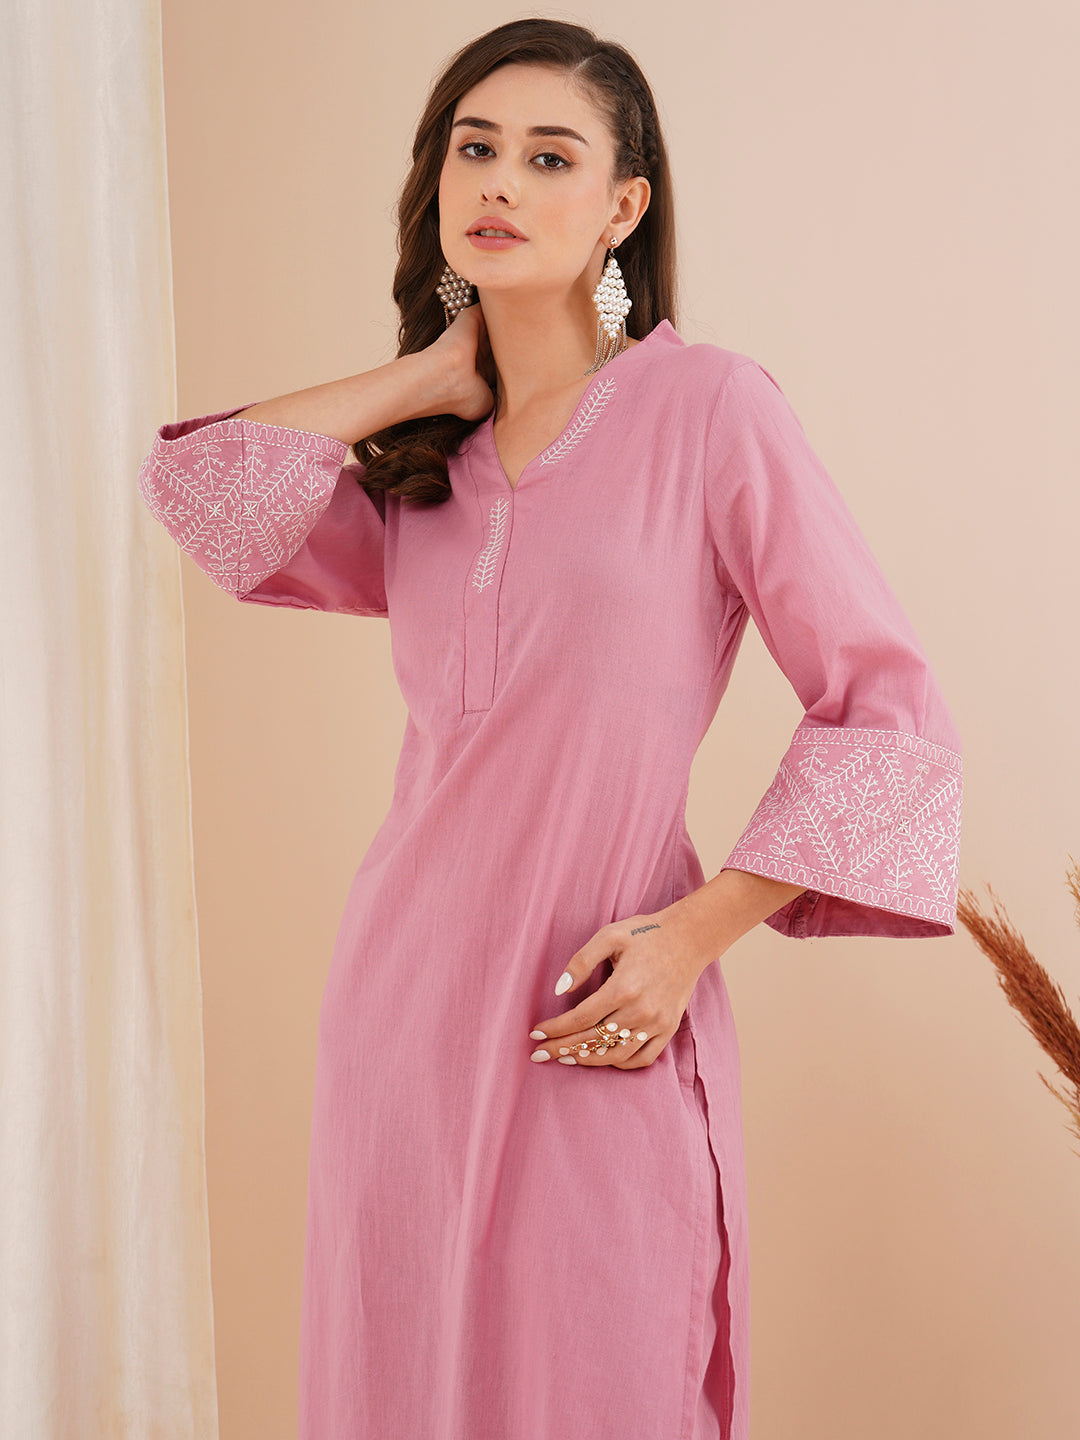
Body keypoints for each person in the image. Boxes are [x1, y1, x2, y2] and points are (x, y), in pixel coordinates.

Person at [135, 17, 963, 1440]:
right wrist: (421, 382)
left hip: (599, 1005)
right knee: (399, 1391)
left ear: (623, 206)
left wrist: (693, 936)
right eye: (476, 148)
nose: (502, 182)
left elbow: (887, 705)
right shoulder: (422, 476)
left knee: (602, 1383)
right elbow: (199, 493)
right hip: (400, 1018)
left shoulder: (708, 410)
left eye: (550, 157)